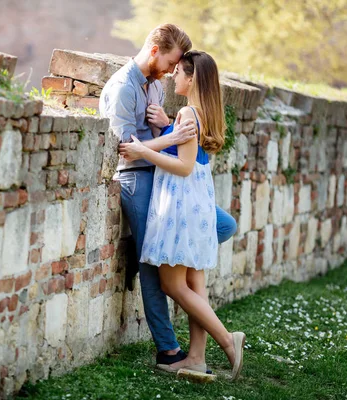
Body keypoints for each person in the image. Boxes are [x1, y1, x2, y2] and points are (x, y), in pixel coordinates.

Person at [99, 24, 237, 374]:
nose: (172, 72)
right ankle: (169, 350)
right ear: (156, 50)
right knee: (153, 265)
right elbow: (127, 151)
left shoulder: (158, 86)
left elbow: (174, 152)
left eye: (179, 68)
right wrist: (169, 135)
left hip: (169, 183)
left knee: (219, 229)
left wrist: (164, 130)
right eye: (172, 63)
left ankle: (201, 353)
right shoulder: (122, 89)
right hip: (139, 179)